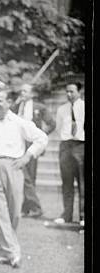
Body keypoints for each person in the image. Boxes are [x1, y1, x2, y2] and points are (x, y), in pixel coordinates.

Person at [0, 89, 48, 268]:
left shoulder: (19, 122)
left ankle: (5, 250)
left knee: (14, 211)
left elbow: (42, 138)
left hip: (14, 167)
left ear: (9, 102)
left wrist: (27, 157)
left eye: (0, 101)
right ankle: (13, 252)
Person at [13, 83, 55, 218]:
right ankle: (27, 208)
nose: (22, 93)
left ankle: (35, 207)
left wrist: (41, 135)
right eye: (21, 91)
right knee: (25, 177)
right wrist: (15, 104)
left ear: (32, 94)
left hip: (31, 145)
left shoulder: (39, 107)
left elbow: (52, 124)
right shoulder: (16, 106)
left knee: (29, 178)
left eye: (25, 91)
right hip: (18, 144)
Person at [54, 82, 85, 227]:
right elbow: (59, 128)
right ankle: (67, 215)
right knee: (66, 183)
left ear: (79, 92)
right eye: (67, 91)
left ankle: (83, 215)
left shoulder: (84, 107)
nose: (69, 94)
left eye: (72, 91)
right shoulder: (61, 109)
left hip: (81, 146)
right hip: (66, 146)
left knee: (83, 183)